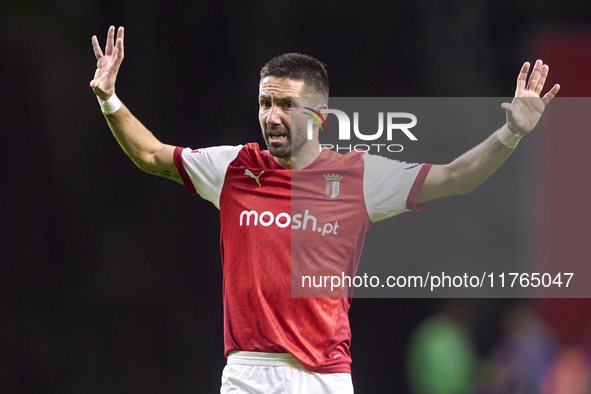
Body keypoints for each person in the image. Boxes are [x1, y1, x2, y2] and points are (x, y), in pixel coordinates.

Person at [90, 25, 560, 394]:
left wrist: (512, 133)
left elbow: (456, 177)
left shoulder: (360, 175)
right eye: (264, 102)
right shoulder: (235, 167)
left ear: (318, 114)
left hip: (324, 377)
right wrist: (108, 98)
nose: (271, 116)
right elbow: (153, 155)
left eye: (285, 105)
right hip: (248, 373)